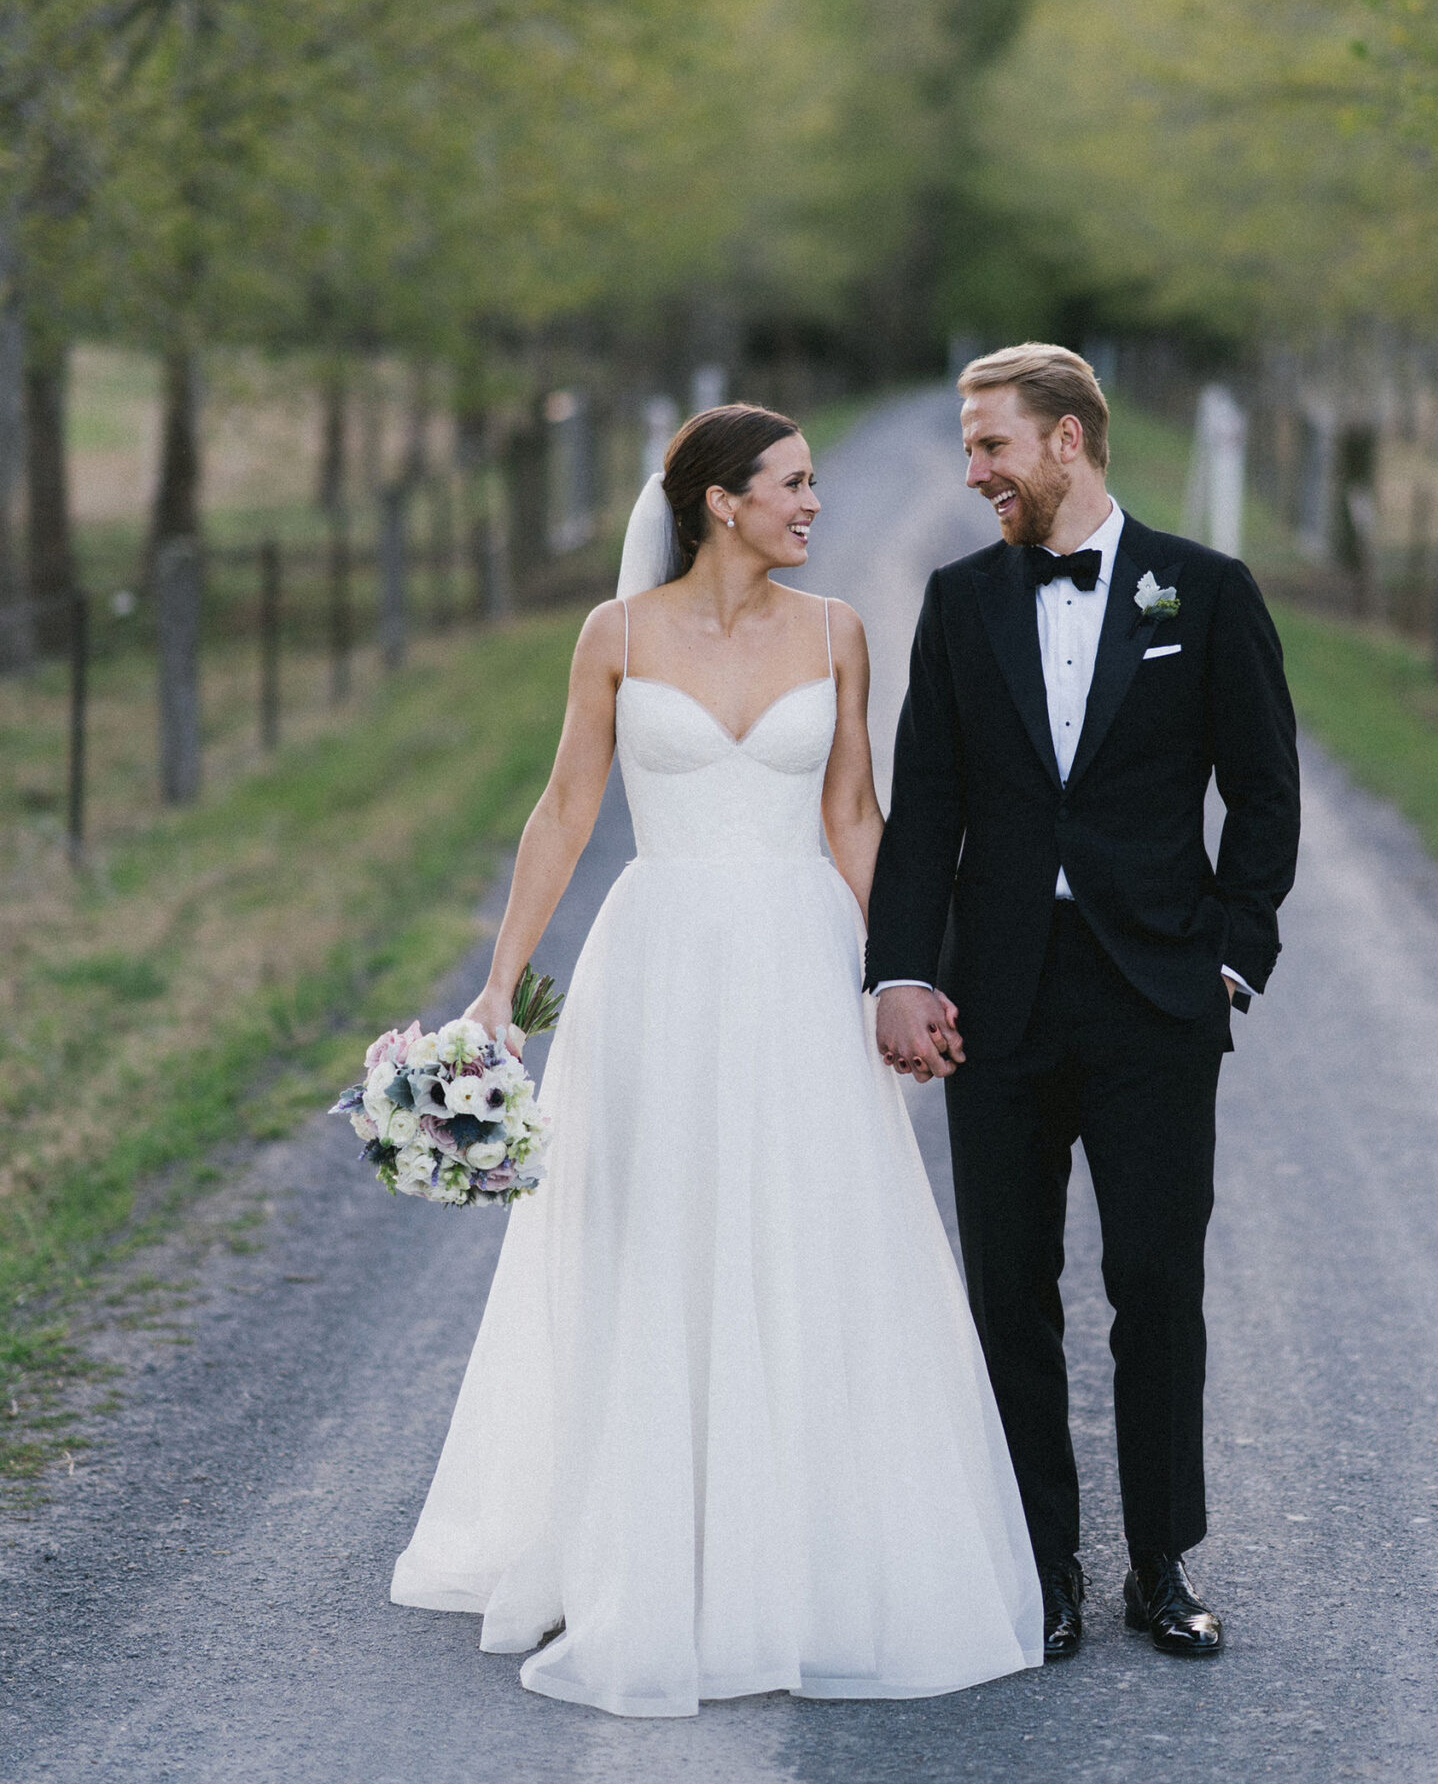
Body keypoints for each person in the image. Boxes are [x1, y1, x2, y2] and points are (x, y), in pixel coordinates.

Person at [392, 403, 1042, 1716]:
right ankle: (654, 1542)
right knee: (661, 1231)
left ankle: (803, 1547)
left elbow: (856, 813)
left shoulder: (837, 633)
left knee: (807, 1231)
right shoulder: (616, 637)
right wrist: (498, 993)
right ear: (719, 502)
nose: (815, 504)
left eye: (813, 483)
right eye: (794, 485)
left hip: (803, 961)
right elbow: (567, 805)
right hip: (664, 963)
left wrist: (911, 972)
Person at [867, 345, 1300, 1663]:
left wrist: (1231, 951)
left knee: (1156, 1279)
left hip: (1155, 994)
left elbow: (1265, 787)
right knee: (1011, 1286)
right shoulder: (957, 603)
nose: (974, 469)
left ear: (1068, 441)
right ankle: (1037, 1565)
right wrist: (900, 970)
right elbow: (926, 803)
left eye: (993, 444)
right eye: (968, 445)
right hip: (995, 1000)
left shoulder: (1209, 594)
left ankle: (1160, 1566)